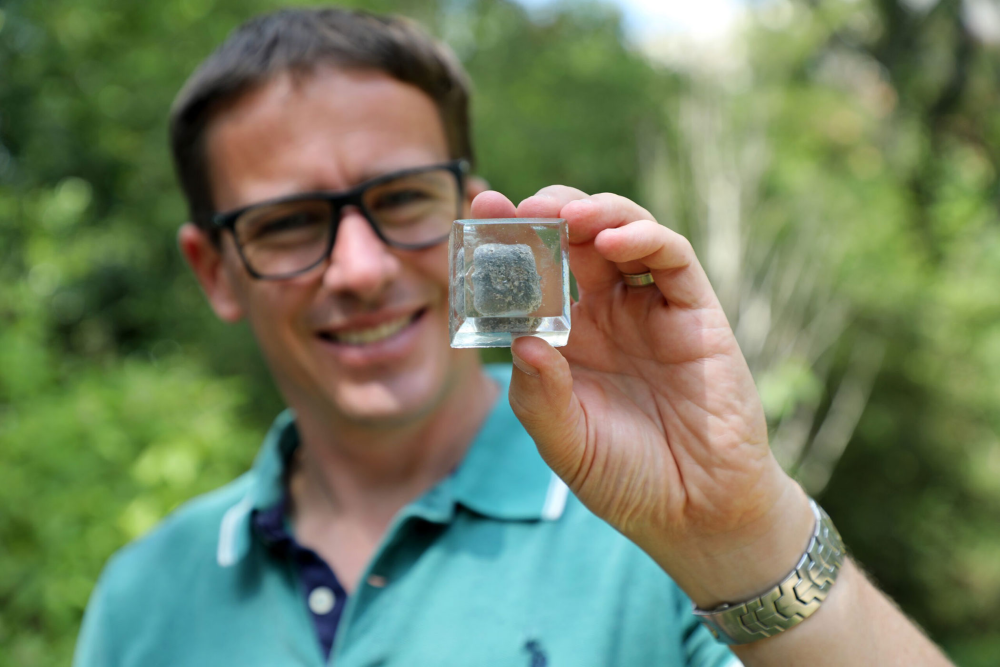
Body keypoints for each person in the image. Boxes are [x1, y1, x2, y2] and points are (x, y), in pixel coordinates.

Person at [73, 7, 952, 666]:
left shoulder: (653, 524)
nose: (360, 267)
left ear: (473, 217)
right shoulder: (145, 599)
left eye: (402, 199)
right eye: (290, 222)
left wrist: (740, 532)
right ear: (215, 269)